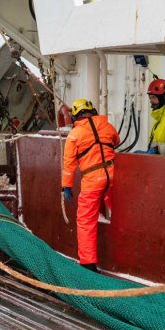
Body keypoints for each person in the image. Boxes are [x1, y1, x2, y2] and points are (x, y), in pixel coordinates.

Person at [61, 98, 120, 272]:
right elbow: (116, 141)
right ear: (92, 111)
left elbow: (69, 164)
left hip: (92, 180)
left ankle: (88, 263)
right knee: (118, 213)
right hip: (111, 176)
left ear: (74, 117)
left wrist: (67, 186)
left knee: (86, 220)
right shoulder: (107, 126)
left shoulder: (74, 135)